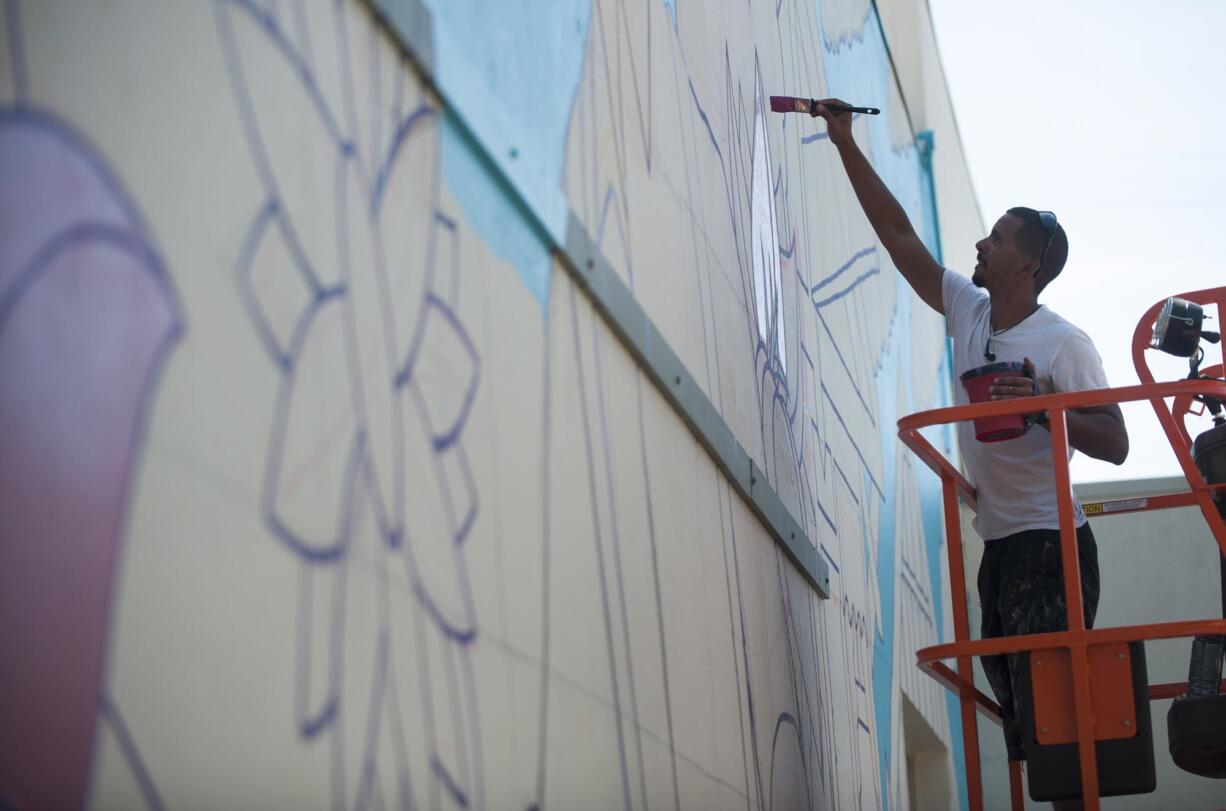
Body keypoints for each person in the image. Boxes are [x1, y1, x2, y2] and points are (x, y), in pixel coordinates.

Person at [811, 99, 1129, 803]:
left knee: (1057, 727)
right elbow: (898, 238)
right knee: (1019, 719)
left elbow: (1115, 441)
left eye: (994, 238)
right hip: (1001, 544)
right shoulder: (970, 309)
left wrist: (1044, 405)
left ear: (1029, 263)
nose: (978, 246)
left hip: (1054, 547)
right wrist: (844, 141)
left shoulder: (1063, 344)